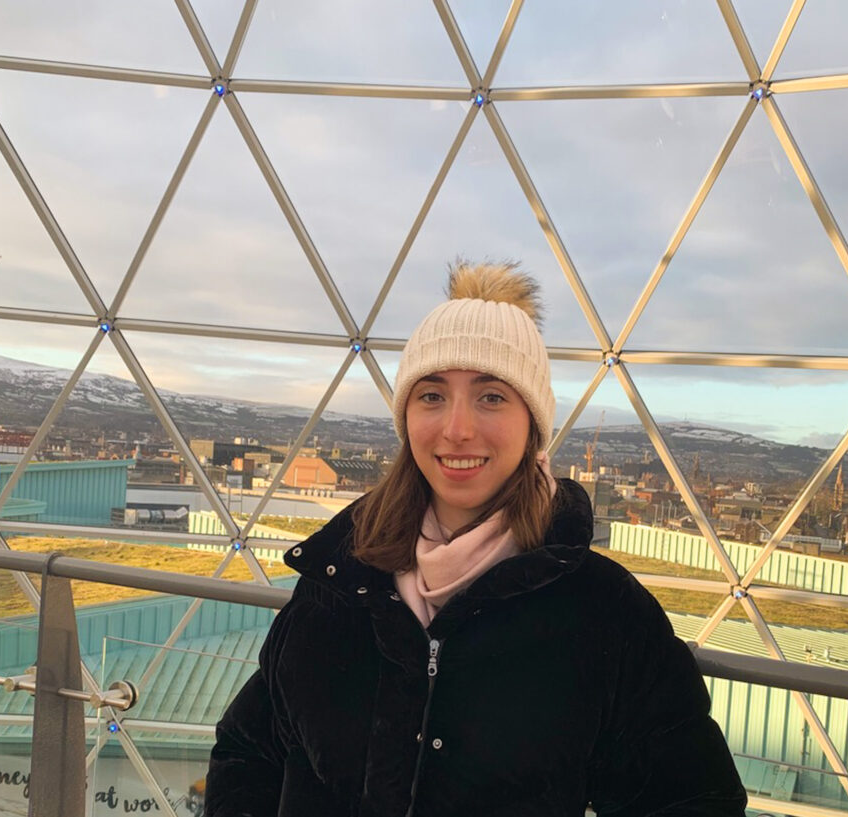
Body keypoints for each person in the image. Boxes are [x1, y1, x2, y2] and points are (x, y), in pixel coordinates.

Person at [206, 262, 747, 816]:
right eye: (432, 396)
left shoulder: (604, 612)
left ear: (532, 425)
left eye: (491, 397)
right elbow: (248, 748)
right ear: (405, 416)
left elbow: (691, 800)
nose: (457, 429)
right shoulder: (341, 578)